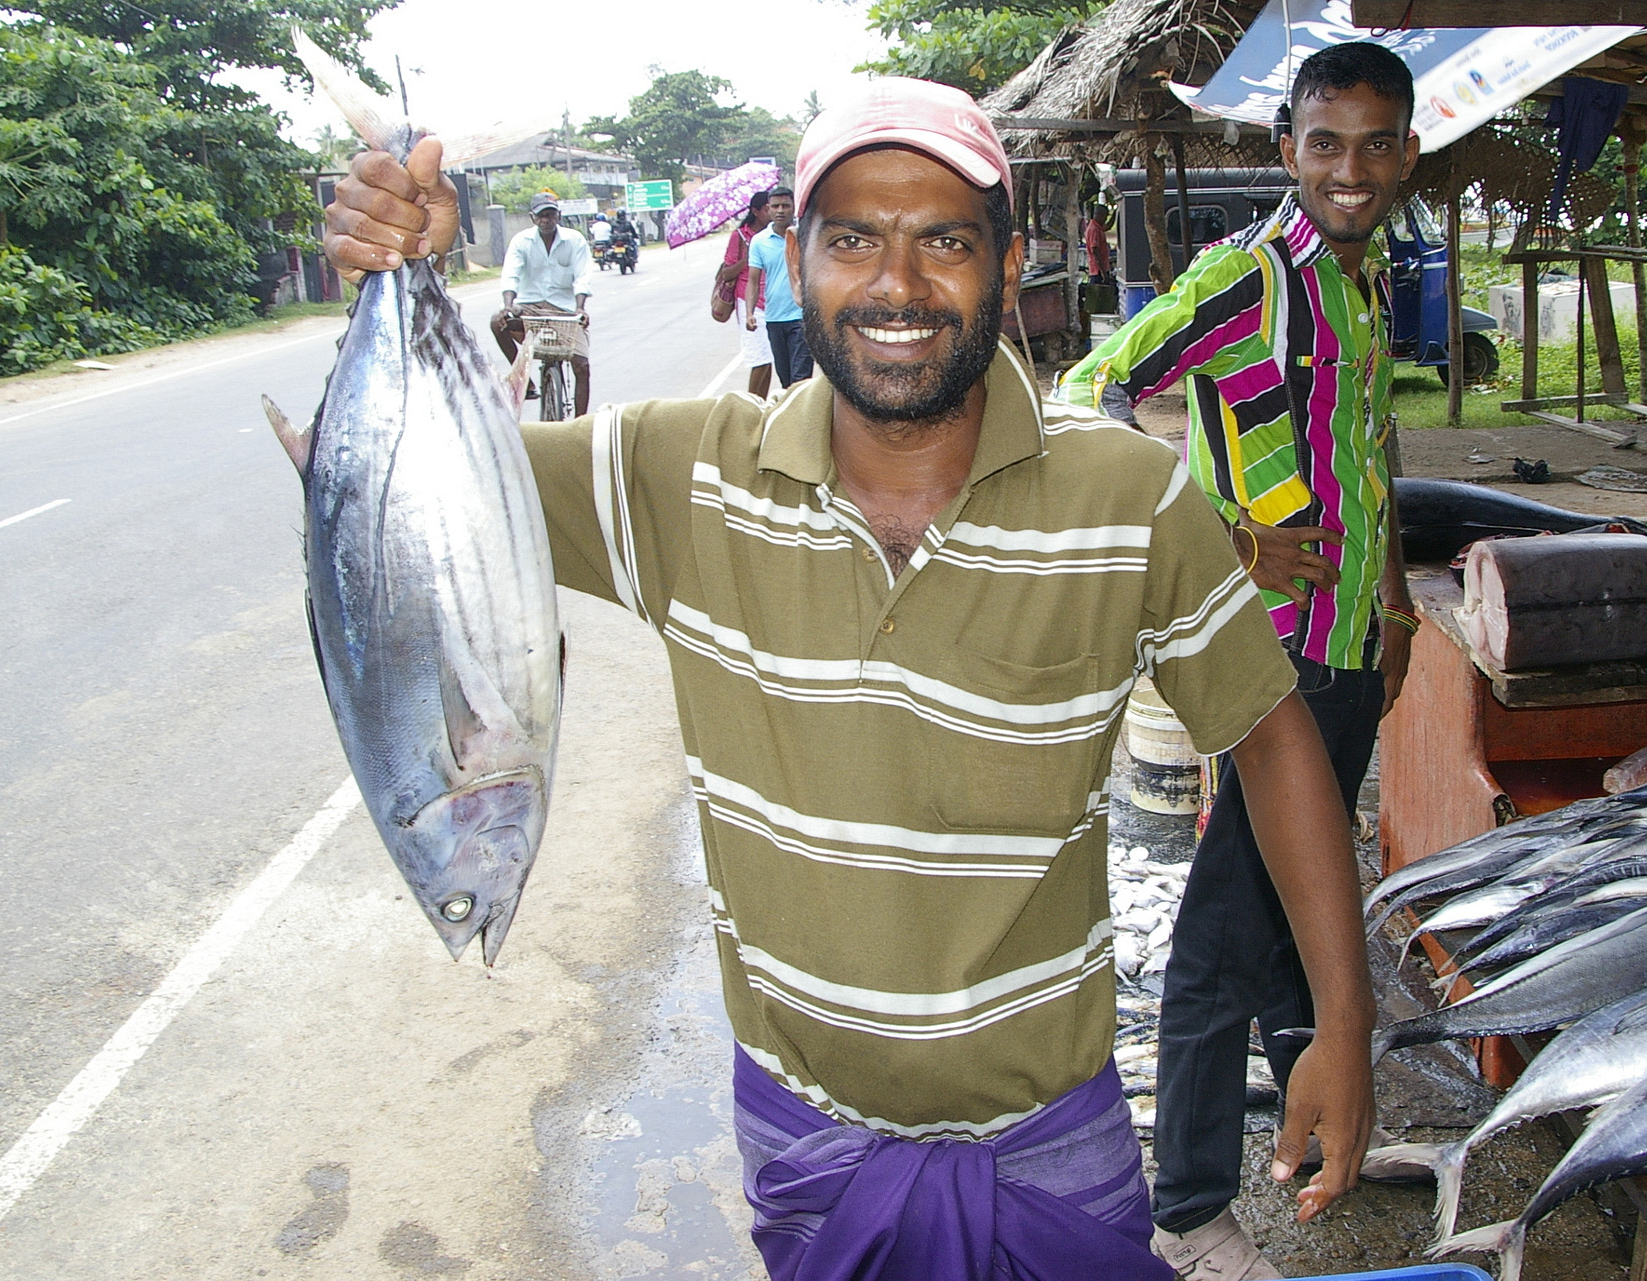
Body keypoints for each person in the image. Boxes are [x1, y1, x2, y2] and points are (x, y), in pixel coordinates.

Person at [323, 75, 1374, 1281]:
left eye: (943, 241)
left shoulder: (1125, 497)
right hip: (805, 1141)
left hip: (1055, 1140)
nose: (898, 284)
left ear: (1008, 258)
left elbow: (1271, 733)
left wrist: (1340, 1018)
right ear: (797, 256)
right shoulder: (679, 474)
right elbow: (410, 516)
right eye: (853, 240)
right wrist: (394, 272)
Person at [1053, 41, 1419, 1280]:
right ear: (1288, 153)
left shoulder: (1364, 289)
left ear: (1406, 153)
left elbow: (1366, 461)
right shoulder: (1244, 279)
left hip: (1353, 647)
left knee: (1282, 905)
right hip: (1265, 666)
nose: (1350, 169)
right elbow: (1084, 399)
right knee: (1220, 937)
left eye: (1375, 144)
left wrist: (1401, 600)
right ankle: (1189, 1208)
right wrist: (1220, 540)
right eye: (1326, 143)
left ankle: (1321, 1122)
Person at [493, 192, 593, 410]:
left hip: (564, 310)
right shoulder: (521, 241)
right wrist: (508, 306)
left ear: (558, 216)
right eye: (541, 216)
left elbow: (582, 276)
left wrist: (580, 308)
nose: (546, 220)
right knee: (497, 322)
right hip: (530, 308)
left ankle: (580, 424)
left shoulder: (574, 240)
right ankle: (525, 381)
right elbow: (511, 273)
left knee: (582, 366)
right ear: (533, 218)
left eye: (550, 215)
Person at [744, 186, 813, 388]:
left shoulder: (805, 237)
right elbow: (753, 281)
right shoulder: (759, 242)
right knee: (785, 378)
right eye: (775, 206)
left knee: (800, 379)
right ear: (769, 209)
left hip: (801, 317)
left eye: (785, 205)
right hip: (774, 318)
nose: (780, 210)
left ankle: (801, 418)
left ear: (794, 207)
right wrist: (750, 312)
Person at [716, 189, 775, 397]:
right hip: (749, 302)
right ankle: (752, 404)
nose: (772, 212)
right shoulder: (740, 237)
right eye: (767, 209)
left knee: (770, 359)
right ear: (755, 211)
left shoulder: (774, 234)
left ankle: (762, 402)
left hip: (773, 301)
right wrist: (748, 257)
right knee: (760, 359)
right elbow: (727, 271)